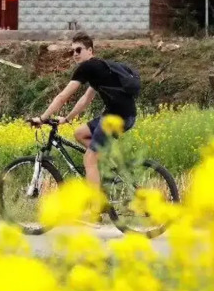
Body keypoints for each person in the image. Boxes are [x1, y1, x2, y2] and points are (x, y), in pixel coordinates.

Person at [32, 31, 138, 189]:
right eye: (72, 51)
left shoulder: (87, 67)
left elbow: (62, 97)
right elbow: (86, 99)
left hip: (117, 118)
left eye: (78, 50)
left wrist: (42, 118)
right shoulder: (98, 67)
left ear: (90, 50)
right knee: (80, 134)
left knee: (89, 159)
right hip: (124, 115)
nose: (75, 54)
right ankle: (110, 168)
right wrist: (67, 119)